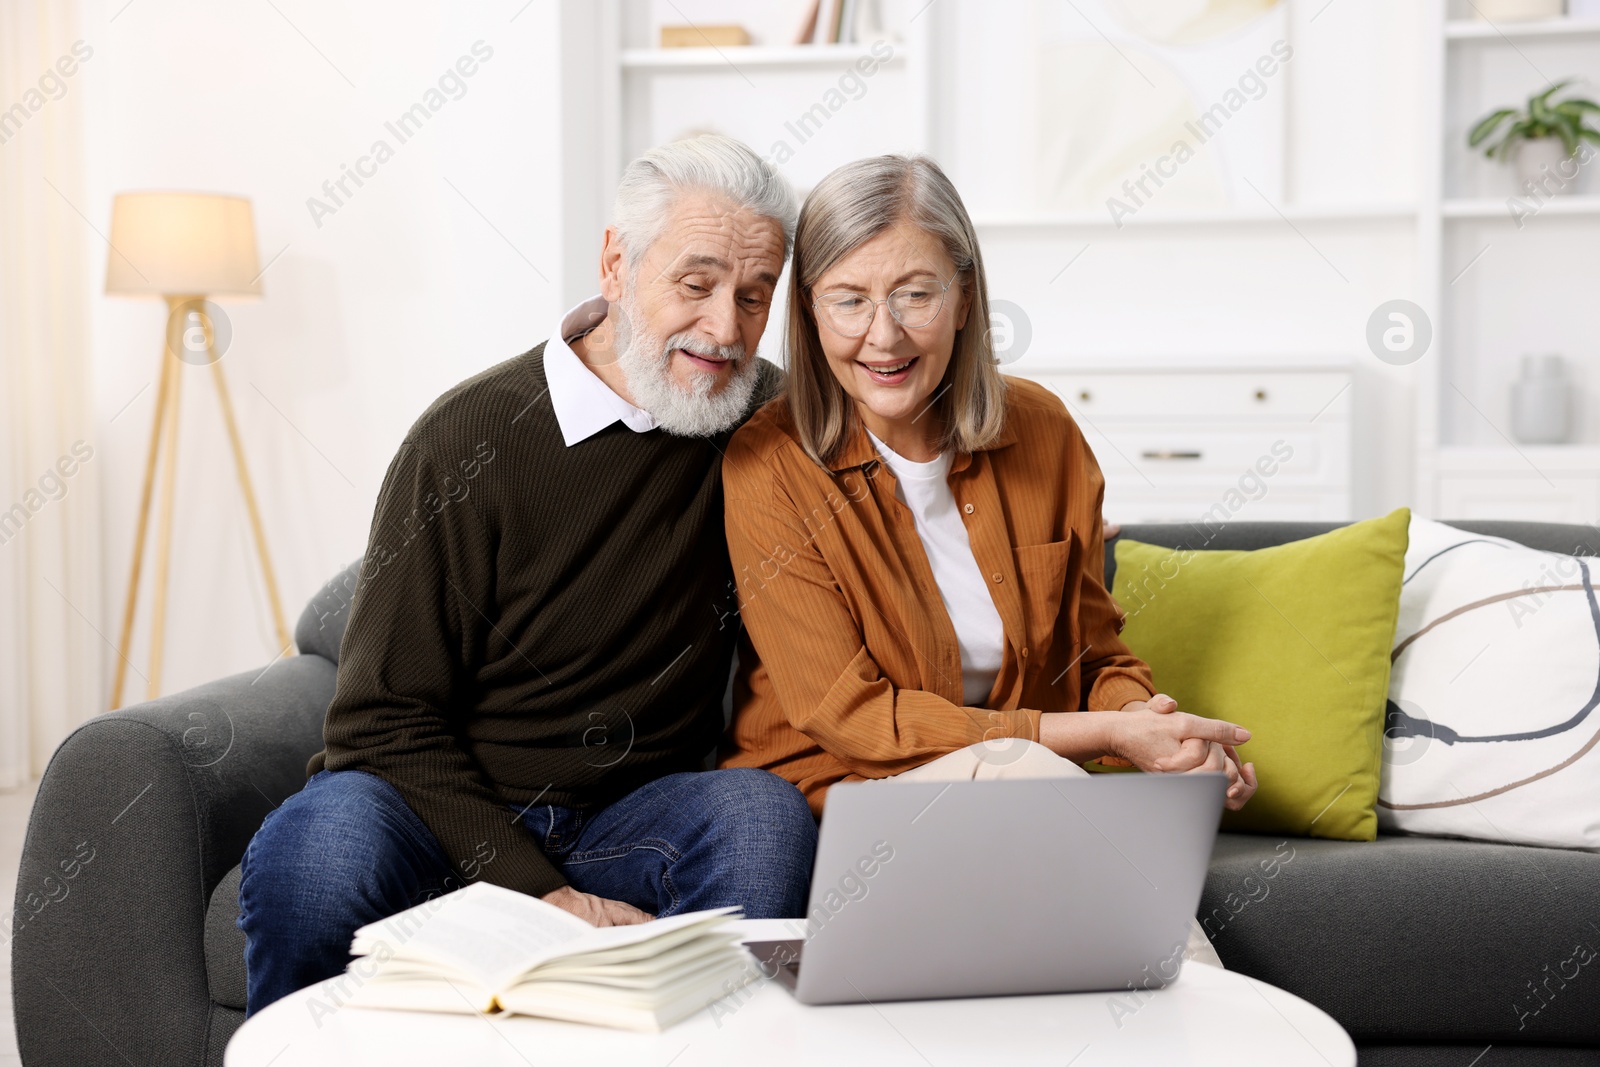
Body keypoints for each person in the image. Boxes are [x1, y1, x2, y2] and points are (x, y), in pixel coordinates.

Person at [236, 135, 819, 1016]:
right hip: (434, 812)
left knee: (763, 820)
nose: (727, 328)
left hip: (628, 819)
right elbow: (379, 720)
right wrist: (538, 897)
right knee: (317, 857)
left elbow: (896, 412)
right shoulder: (468, 437)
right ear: (617, 263)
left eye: (755, 294)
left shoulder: (763, 423)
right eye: (695, 285)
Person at [717, 154, 1258, 962]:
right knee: (1028, 781)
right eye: (850, 300)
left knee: (1035, 801)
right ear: (810, 310)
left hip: (1018, 795)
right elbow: (854, 718)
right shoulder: (769, 466)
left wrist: (1159, 728)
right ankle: (1224, 1030)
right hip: (852, 803)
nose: (884, 334)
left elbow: (1090, 651)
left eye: (915, 293)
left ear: (965, 296)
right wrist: (1092, 734)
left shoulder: (1041, 429)